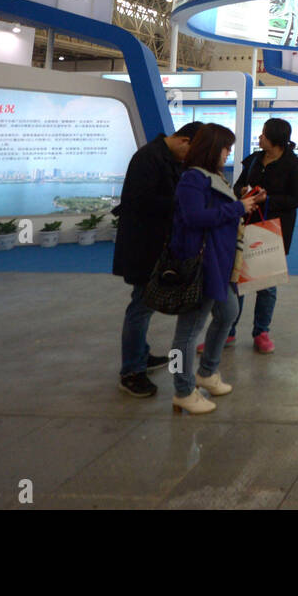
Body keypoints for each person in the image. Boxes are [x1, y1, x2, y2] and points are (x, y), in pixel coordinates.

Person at [167, 123, 261, 415]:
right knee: (186, 333)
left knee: (228, 313)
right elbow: (195, 217)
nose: (227, 154)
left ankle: (206, 372)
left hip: (220, 264)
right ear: (212, 148)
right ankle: (182, 390)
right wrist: (237, 208)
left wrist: (245, 202)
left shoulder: (213, 177)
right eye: (225, 148)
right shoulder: (192, 180)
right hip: (200, 265)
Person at [112, 120, 203, 398]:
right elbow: (139, 202)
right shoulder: (148, 159)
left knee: (145, 305)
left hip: (156, 246)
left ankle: (141, 355)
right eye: (191, 153)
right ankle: (131, 371)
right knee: (140, 305)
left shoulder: (166, 158)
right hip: (143, 247)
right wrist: (183, 203)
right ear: (184, 141)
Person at [215, 118, 298, 354]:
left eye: (264, 134)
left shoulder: (292, 165)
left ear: (275, 138)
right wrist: (243, 191)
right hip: (245, 226)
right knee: (237, 281)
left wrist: (269, 200)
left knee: (266, 284)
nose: (260, 137)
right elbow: (237, 187)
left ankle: (261, 332)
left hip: (274, 229)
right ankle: (228, 331)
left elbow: (296, 200)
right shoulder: (254, 159)